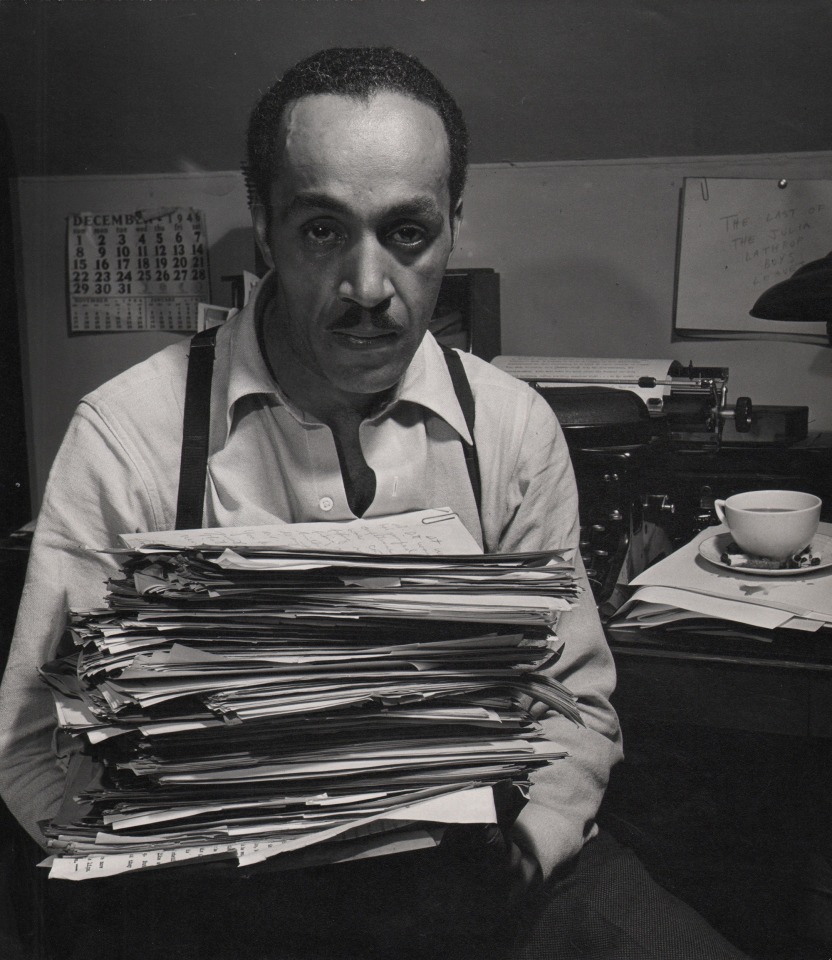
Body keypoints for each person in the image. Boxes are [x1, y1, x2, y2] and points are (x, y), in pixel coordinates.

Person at [0, 47, 750, 960]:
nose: (368, 289)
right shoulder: (130, 433)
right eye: (322, 231)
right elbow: (32, 743)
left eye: (407, 232)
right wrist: (163, 864)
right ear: (267, 232)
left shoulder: (511, 430)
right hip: (221, 899)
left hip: (480, 871)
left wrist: (536, 838)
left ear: (452, 229)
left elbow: (576, 701)